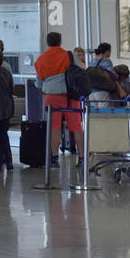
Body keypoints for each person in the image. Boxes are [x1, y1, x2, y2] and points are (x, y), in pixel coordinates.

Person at [35, 31, 79, 167]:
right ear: (60, 41)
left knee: (54, 128)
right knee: (76, 126)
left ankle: (54, 158)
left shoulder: (41, 59)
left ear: (48, 42)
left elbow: (39, 83)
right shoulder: (69, 55)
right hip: (71, 96)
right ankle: (82, 157)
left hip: (51, 97)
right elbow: (80, 72)